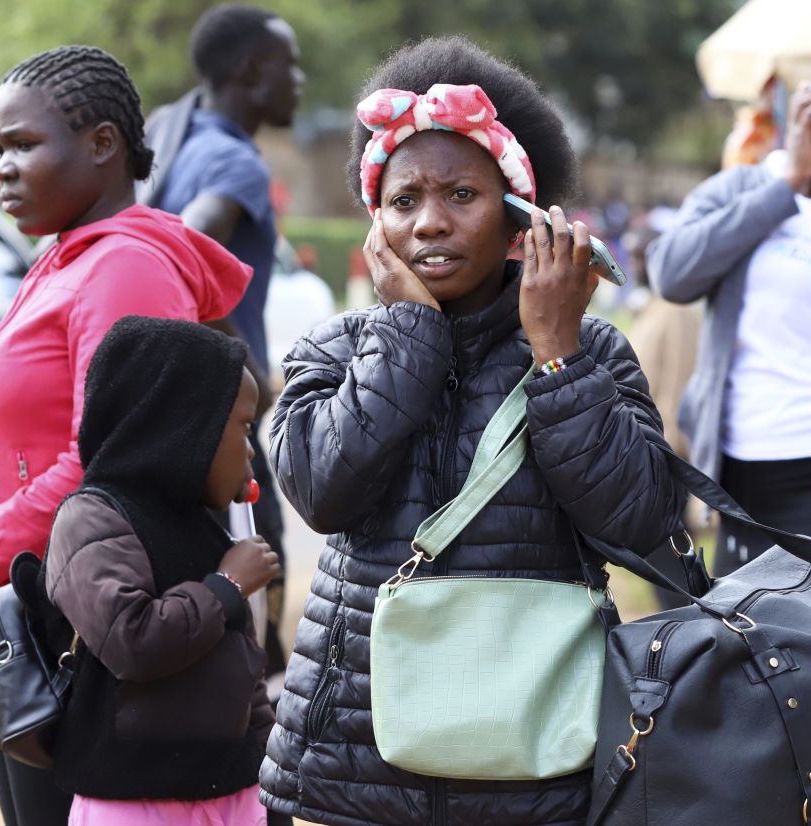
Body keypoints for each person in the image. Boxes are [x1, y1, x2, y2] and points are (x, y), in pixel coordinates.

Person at [259, 37, 685, 825]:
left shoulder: (589, 350)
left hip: (538, 758)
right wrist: (411, 335)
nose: (429, 223)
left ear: (521, 215)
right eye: (404, 200)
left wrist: (557, 356)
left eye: (461, 195)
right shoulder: (333, 350)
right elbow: (323, 491)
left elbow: (642, 525)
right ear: (375, 222)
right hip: (356, 761)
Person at [0, 46, 252, 826]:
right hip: (32, 629)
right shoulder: (61, 264)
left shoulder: (125, 270)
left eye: (23, 144)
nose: (4, 170)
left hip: (88, 638)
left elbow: (102, 466)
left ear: (102, 144)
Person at [648, 40, 811, 575]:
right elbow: (672, 272)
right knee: (751, 640)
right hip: (736, 475)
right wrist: (788, 187)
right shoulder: (746, 185)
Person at [44, 316, 280, 825]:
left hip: (231, 793)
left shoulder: (203, 526)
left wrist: (268, 772)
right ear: (183, 428)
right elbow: (131, 640)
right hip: (133, 801)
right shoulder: (91, 518)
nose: (250, 455)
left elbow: (243, 670)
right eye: (242, 429)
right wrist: (227, 586)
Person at [141, 2, 305, 681]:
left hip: (164, 405)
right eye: (287, 65)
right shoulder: (234, 162)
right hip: (220, 413)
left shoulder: (169, 140)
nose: (298, 80)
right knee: (259, 565)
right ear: (249, 71)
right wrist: (241, 366)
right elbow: (189, 245)